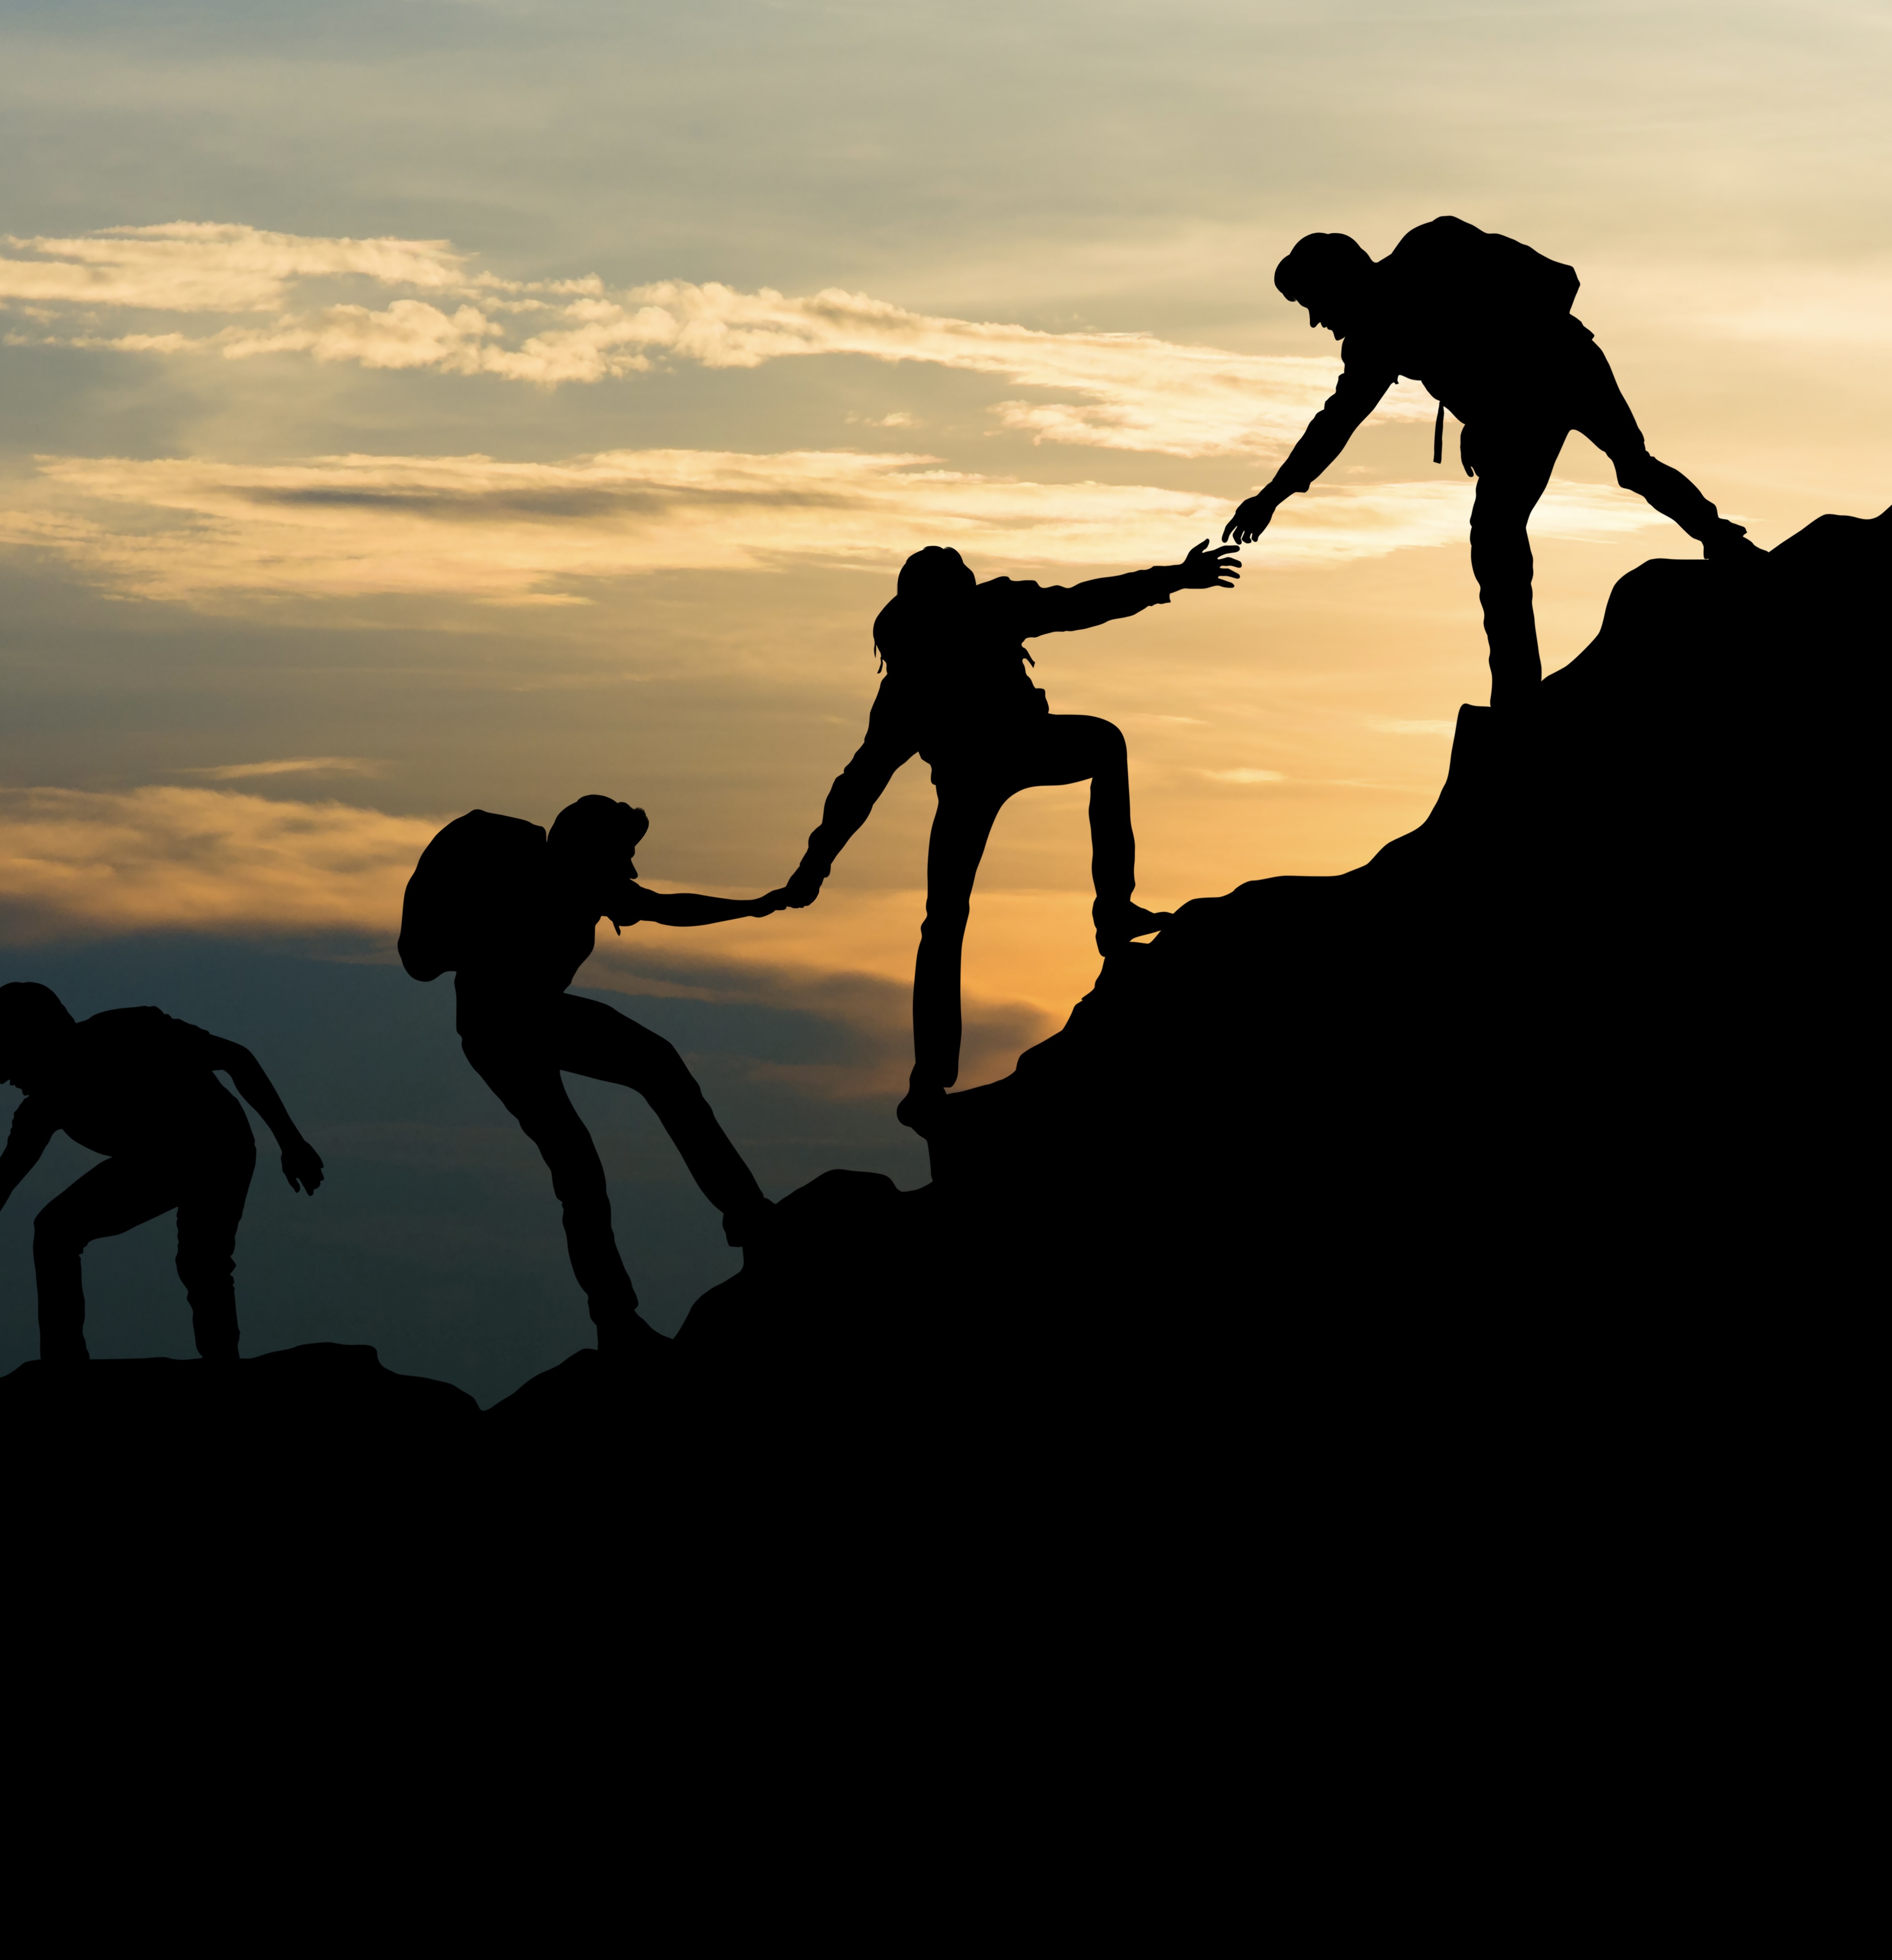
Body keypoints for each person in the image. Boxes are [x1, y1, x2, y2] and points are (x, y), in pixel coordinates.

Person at [783, 540, 1239, 1122]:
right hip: (992, 764)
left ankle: (1110, 914)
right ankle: (933, 1075)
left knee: (945, 919)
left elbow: (1083, 603)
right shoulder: (937, 652)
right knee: (948, 914)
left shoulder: (933, 652)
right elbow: (861, 780)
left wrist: (1171, 578)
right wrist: (813, 865)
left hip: (991, 763)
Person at [1223, 218, 1763, 706]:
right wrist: (1271, 496)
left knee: (1633, 465)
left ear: (1341, 277)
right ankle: (1517, 687)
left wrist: (1492, 403)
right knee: (1495, 533)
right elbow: (1334, 425)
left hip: (1565, 370)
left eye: (1314, 302)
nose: (1318, 321)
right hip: (1511, 418)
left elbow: (1560, 281)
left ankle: (1725, 542)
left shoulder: (1434, 248)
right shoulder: (1373, 343)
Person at [402, 795, 786, 1353]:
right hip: (499, 1026)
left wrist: (757, 907)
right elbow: (425, 957)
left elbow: (664, 906)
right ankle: (624, 1311)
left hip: (532, 1016)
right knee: (582, 1156)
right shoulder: (527, 869)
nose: (629, 867)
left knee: (645, 1083)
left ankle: (743, 1220)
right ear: (592, 848)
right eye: (624, 853)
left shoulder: (589, 880)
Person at [0, 981, 324, 1365]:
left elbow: (236, 1058)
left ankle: (223, 1361)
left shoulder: (132, 1032)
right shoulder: (42, 1109)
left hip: (218, 1142)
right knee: (55, 1230)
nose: (9, 1080)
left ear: (40, 1040)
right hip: (155, 1159)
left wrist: (291, 1141)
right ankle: (64, 1361)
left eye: (12, 1061)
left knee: (202, 1260)